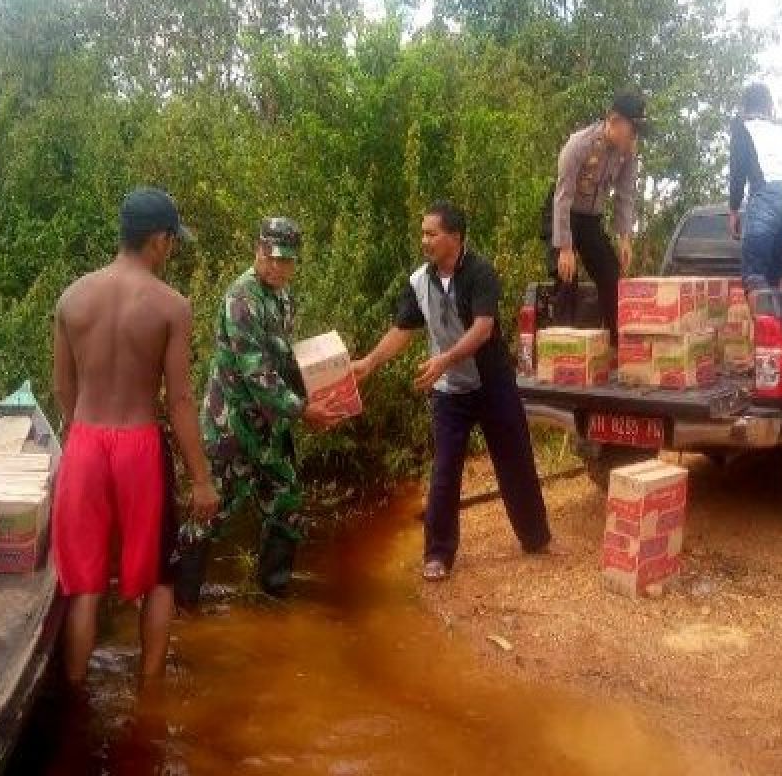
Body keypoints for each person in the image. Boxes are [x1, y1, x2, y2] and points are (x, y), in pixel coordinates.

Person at [51, 186, 220, 687]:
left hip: (84, 442)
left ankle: (78, 696)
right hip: (139, 446)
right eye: (172, 241)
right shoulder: (171, 306)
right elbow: (180, 400)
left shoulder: (71, 298)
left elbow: (64, 387)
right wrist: (201, 478)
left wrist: (82, 431)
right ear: (160, 240)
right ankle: (148, 703)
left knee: (83, 586)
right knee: (159, 582)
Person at [353, 200, 553, 581]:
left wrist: (443, 359)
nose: (424, 240)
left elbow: (484, 328)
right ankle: (438, 554)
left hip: (492, 383)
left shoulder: (480, 272)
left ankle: (535, 537)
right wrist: (368, 363)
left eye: (431, 233)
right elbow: (402, 330)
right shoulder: (418, 281)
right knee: (444, 470)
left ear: (455, 238)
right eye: (423, 233)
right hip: (450, 391)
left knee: (515, 461)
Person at [182, 217, 346, 603]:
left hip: (269, 428)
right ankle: (180, 603)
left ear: (294, 262)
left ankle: (273, 596)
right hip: (232, 429)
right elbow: (257, 374)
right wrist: (305, 410)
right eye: (270, 257)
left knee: (287, 503)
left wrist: (331, 380)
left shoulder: (282, 297)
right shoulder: (242, 297)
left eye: (285, 261)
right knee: (209, 516)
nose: (276, 267)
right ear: (257, 250)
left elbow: (284, 361)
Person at [550, 89, 645, 334]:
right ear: (614, 120)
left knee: (610, 274)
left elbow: (625, 196)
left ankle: (616, 344)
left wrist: (624, 237)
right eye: (632, 129)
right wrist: (565, 247)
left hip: (591, 219)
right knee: (566, 277)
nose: (635, 136)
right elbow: (562, 197)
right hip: (563, 214)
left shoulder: (628, 153)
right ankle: (563, 350)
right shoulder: (579, 144)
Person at [728, 83, 782, 291]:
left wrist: (733, 210)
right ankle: (775, 323)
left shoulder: (743, 126)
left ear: (744, 107)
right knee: (772, 281)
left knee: (754, 277)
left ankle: (761, 323)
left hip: (766, 196)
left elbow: (738, 171)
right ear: (769, 107)